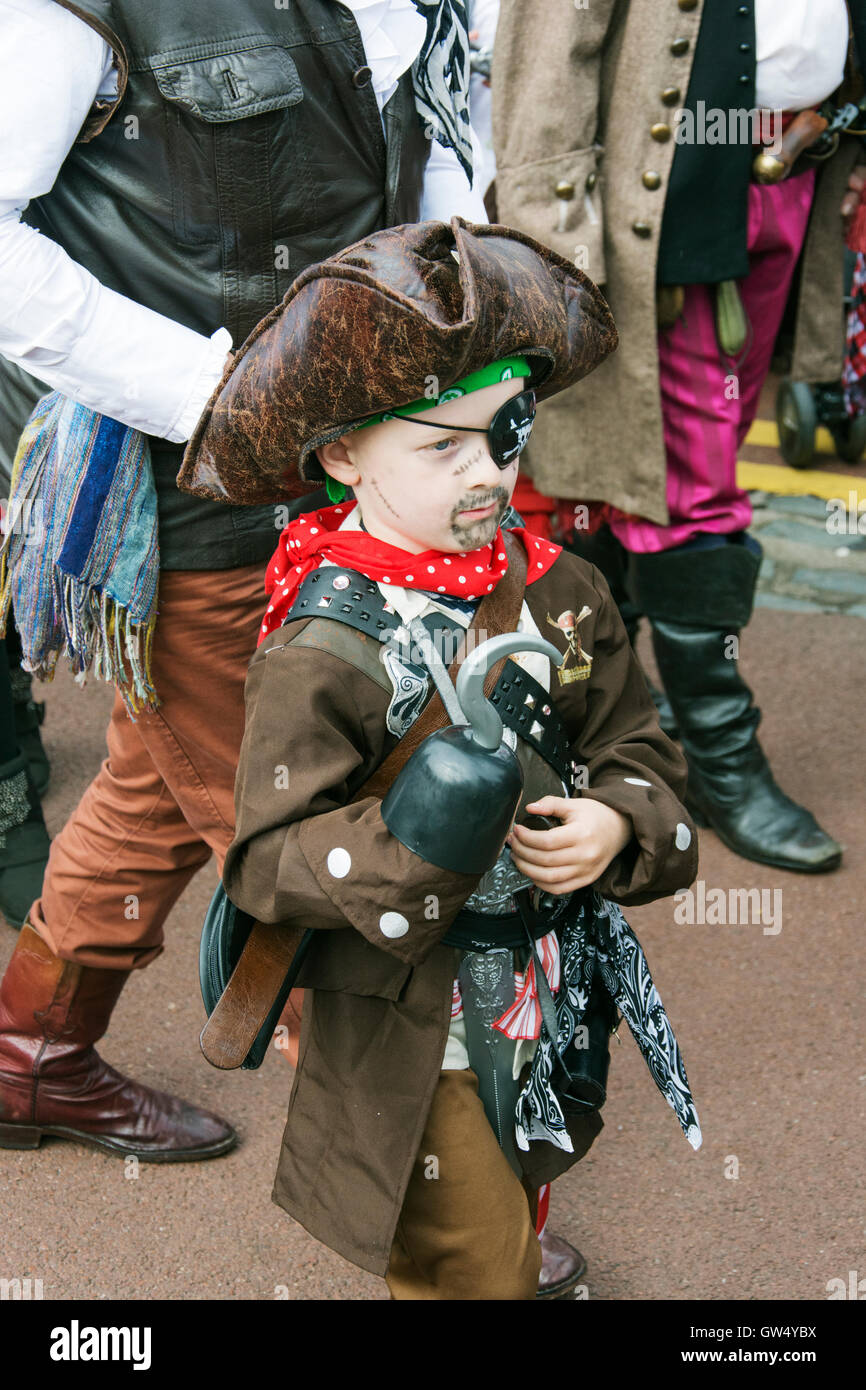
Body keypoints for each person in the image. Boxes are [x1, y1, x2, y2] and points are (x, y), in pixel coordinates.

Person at [0, 0, 486, 1160]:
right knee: (308, 813)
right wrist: (206, 390)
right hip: (179, 480)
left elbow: (436, 166)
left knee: (164, 780)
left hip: (345, 453)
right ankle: (424, 1181)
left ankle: (29, 1055)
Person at [195, 217, 702, 1299]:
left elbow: (638, 747)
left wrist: (619, 819)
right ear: (342, 454)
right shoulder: (323, 643)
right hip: (415, 1018)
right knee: (465, 1262)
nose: (486, 472)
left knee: (520, 1194)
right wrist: (421, 829)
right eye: (441, 446)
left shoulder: (560, 586)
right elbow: (265, 860)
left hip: (548, 980)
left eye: (503, 435)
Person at [491, 0, 864, 873]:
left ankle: (599, 716)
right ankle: (721, 763)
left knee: (689, 458)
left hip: (791, 168)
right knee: (688, 482)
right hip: (663, 201)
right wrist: (561, 255)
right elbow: (550, 58)